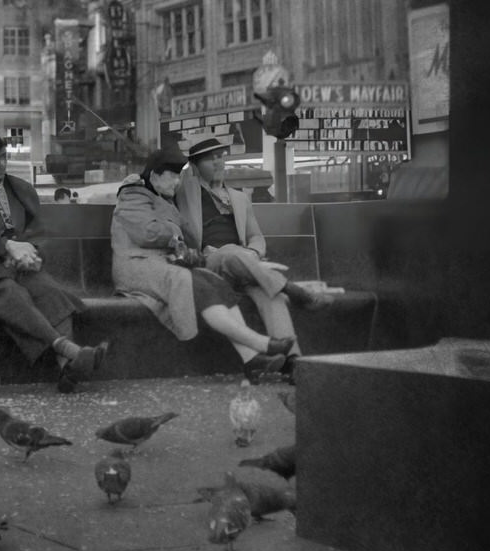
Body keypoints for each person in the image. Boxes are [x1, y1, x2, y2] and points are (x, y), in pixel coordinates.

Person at [0, 127, 109, 393]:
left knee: (51, 292)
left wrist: (30, 251)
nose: (2, 164)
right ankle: (70, 350)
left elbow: (38, 230)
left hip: (19, 265)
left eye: (4, 157)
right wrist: (6, 245)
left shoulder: (20, 189)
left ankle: (68, 369)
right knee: (10, 293)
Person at [111, 140, 293, 382]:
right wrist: (176, 236)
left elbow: (177, 238)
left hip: (162, 265)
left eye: (179, 178)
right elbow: (148, 232)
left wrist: (186, 249)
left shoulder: (164, 199)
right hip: (136, 266)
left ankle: (250, 359)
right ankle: (260, 343)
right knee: (186, 280)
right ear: (154, 176)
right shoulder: (133, 194)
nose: (177, 183)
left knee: (213, 282)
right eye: (172, 178)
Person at [176, 136, 330, 382]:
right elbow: (179, 173)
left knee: (270, 294)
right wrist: (189, 168)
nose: (217, 161)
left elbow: (256, 237)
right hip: (210, 264)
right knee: (227, 251)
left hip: (244, 264)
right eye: (209, 159)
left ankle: (293, 362)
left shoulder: (239, 198)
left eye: (220, 156)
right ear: (195, 166)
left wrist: (252, 253)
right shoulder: (187, 192)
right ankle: (290, 287)